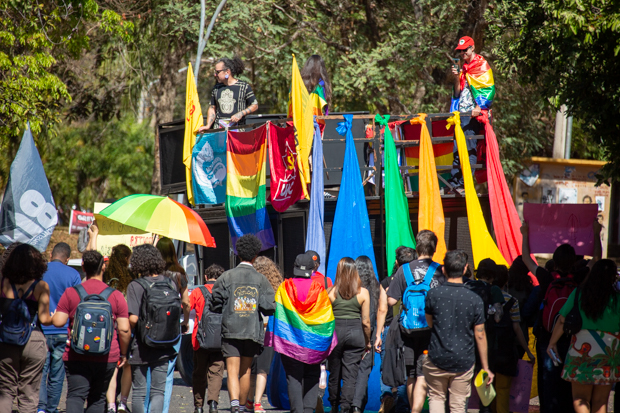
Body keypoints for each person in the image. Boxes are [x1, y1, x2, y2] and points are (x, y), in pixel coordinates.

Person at [521, 221, 601, 412]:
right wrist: (596, 233)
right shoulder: (579, 277)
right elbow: (596, 258)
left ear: (554, 261)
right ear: (574, 261)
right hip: (574, 337)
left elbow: (526, 258)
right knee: (569, 378)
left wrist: (525, 233)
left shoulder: (547, 277)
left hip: (547, 338)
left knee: (548, 380)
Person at [52, 250, 131, 413]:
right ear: (103, 267)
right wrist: (123, 354)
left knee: (75, 395)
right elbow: (124, 329)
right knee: (98, 398)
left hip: (76, 354)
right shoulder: (115, 295)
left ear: (83, 267)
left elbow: (59, 322)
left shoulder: (71, 292)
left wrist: (53, 315)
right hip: (107, 355)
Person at [210, 234, 276, 413]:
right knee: (245, 370)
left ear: (238, 254)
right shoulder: (261, 280)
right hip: (252, 331)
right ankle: (241, 405)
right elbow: (270, 307)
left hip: (231, 329)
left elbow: (214, 303)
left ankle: (233, 405)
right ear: (255, 255)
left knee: (231, 370)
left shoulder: (226, 277)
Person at [423, 249, 493, 413]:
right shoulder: (474, 299)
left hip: (436, 356)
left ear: (443, 269)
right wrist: (485, 367)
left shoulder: (433, 295)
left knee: (436, 398)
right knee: (458, 405)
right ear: (465, 269)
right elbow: (480, 335)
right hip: (464, 359)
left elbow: (430, 322)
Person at [267, 253, 336, 413]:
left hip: (290, 343)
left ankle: (297, 410)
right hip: (313, 344)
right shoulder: (319, 289)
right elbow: (326, 317)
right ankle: (308, 410)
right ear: (312, 269)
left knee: (293, 377)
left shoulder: (284, 287)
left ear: (295, 267)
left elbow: (277, 315)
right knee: (312, 376)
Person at [548, 259, 620, 413]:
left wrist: (552, 343)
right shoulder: (617, 299)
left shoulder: (579, 293)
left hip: (581, 350)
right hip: (609, 351)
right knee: (601, 402)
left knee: (580, 398)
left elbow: (562, 320)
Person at [386, 231, 445, 413]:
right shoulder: (440, 270)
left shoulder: (403, 270)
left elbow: (391, 301)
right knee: (424, 372)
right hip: (431, 329)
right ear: (434, 248)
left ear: (417, 247)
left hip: (408, 329)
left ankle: (413, 408)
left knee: (411, 373)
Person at [126, 244, 188, 413]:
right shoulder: (170, 283)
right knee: (158, 391)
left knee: (139, 392)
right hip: (166, 344)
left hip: (141, 345)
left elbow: (133, 319)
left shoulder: (136, 285)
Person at [0, 244, 53, 413]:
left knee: (5, 390)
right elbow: (44, 319)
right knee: (29, 393)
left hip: (6, 339)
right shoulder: (41, 286)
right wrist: (54, 316)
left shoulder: (3, 282)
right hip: (33, 338)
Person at [38, 242, 82, 413]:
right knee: (57, 375)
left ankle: (40, 408)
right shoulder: (73, 275)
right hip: (63, 332)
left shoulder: (40, 271)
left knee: (41, 372)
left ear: (51, 255)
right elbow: (77, 305)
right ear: (68, 259)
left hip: (42, 329)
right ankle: (51, 408)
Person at [448, 35, 494, 191]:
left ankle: (464, 183)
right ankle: (454, 183)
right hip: (459, 114)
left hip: (472, 115)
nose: (463, 53)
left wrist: (479, 107)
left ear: (472, 48)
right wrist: (456, 77)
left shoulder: (482, 65)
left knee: (469, 148)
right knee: (456, 149)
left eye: (465, 50)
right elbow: (457, 92)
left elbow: (488, 89)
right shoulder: (464, 68)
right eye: (460, 51)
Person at [327, 257, 371, 413]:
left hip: (335, 334)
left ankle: (333, 405)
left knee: (334, 372)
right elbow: (366, 322)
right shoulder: (363, 293)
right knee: (350, 375)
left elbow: (326, 320)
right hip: (355, 333)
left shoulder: (330, 292)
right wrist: (367, 342)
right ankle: (346, 408)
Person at [375, 246, 416, 413]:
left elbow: (383, 309)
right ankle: (403, 404)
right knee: (407, 368)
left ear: (396, 262)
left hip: (390, 330)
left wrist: (378, 334)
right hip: (411, 330)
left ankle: (387, 397)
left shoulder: (387, 281)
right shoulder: (418, 281)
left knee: (387, 366)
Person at [152, 237, 191, 413]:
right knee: (168, 372)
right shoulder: (179, 273)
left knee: (150, 368)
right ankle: (163, 409)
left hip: (152, 325)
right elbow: (186, 303)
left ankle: (148, 407)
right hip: (173, 327)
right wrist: (185, 321)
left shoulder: (151, 272)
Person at [492, 265, 535, 413]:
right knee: (503, 389)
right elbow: (517, 328)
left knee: (487, 389)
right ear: (506, 281)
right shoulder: (512, 301)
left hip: (487, 351)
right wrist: (528, 351)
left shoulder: (483, 298)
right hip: (505, 352)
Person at [248, 256, 283, 413]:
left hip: (250, 331)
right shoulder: (278, 288)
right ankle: (257, 403)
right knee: (263, 370)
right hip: (268, 333)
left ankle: (249, 401)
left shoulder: (251, 284)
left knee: (251, 369)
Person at [102, 244, 133, 413]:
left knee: (112, 365)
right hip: (126, 324)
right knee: (127, 364)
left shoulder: (106, 275)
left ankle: (110, 404)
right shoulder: (130, 277)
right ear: (127, 258)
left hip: (108, 324)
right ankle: (123, 402)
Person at [191, 264, 226, 413]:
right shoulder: (225, 292)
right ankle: (213, 404)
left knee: (199, 373)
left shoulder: (198, 291)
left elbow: (186, 306)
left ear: (206, 277)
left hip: (200, 340)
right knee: (216, 372)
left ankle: (198, 406)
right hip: (220, 339)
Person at [198, 56, 258, 130]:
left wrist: (241, 114)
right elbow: (212, 108)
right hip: (219, 132)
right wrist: (208, 125)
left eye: (217, 72)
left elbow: (255, 105)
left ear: (227, 72)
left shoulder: (244, 87)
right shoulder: (216, 88)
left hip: (238, 132)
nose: (215, 75)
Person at [352, 256, 380, 413]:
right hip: (370, 331)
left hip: (353, 330)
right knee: (364, 370)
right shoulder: (376, 286)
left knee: (351, 369)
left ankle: (349, 402)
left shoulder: (353, 286)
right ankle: (358, 404)